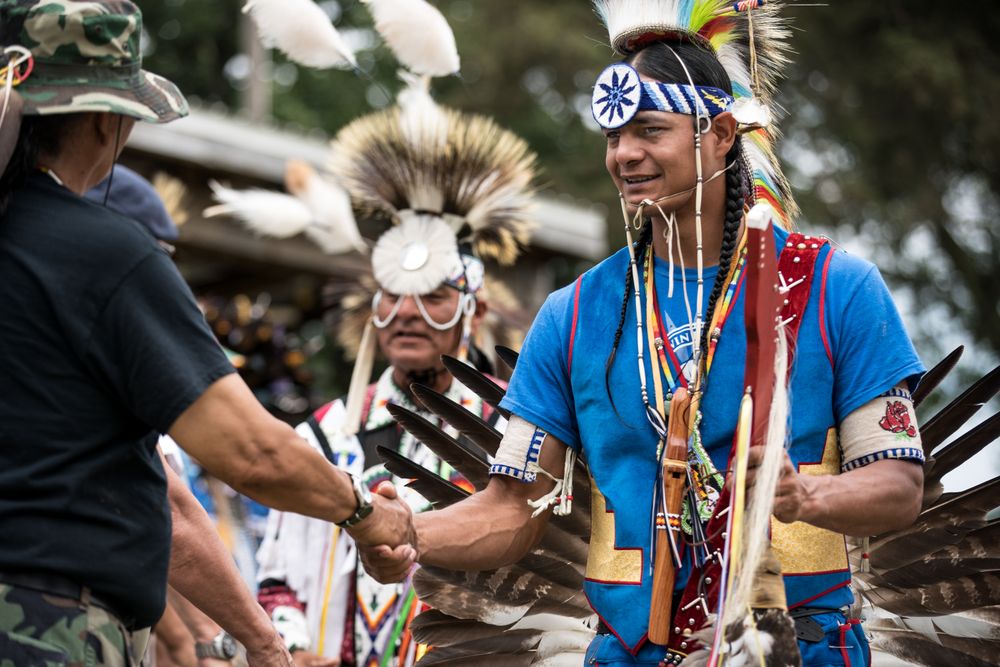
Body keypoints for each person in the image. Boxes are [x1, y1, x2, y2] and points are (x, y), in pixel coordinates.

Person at [360, 2, 926, 666]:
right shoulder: (575, 316)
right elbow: (512, 508)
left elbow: (898, 485)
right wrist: (405, 529)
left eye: (649, 130)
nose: (625, 155)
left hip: (799, 650)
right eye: (612, 137)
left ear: (719, 133)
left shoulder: (832, 288)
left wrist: (810, 495)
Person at [0, 2, 411, 665]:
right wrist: (364, 513)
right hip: (43, 628)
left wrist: (255, 638)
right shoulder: (103, 253)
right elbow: (251, 452)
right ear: (109, 120)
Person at [243, 99, 536, 667]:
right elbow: (276, 577)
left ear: (473, 313)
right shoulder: (324, 437)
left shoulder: (512, 436)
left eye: (431, 297)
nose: (406, 313)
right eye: (392, 295)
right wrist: (296, 649)